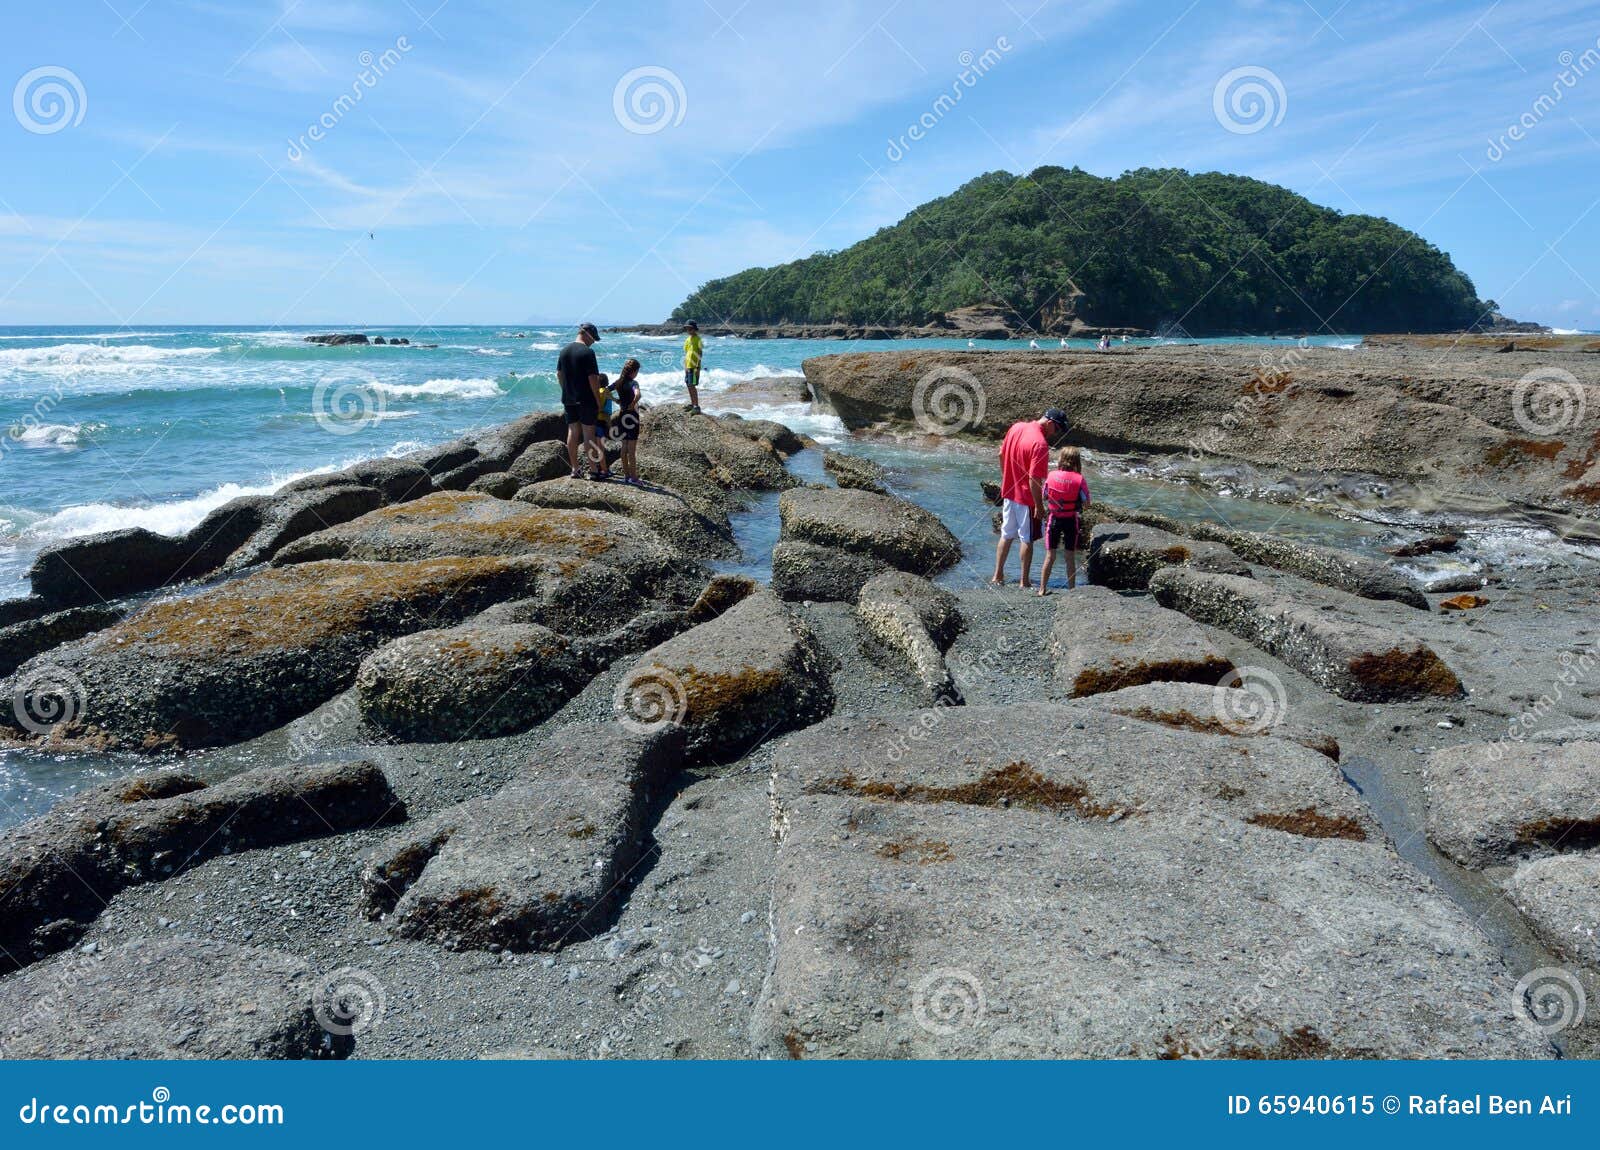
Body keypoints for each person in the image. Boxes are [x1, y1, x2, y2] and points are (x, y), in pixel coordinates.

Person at [992, 407, 1069, 589]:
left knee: (1006, 534)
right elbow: (1034, 480)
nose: (1056, 434)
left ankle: (997, 576)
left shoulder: (1017, 427)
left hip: (1009, 493)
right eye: (1057, 429)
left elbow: (1001, 454)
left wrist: (1007, 478)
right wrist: (1039, 506)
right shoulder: (1040, 444)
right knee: (1026, 538)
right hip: (1026, 498)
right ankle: (1024, 581)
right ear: (1050, 423)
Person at [557, 322, 608, 480]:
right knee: (588, 434)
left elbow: (559, 374)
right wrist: (598, 400)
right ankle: (593, 470)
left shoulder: (564, 351)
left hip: (569, 398)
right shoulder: (587, 352)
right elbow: (593, 379)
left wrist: (565, 389)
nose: (593, 342)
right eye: (593, 338)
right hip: (586, 399)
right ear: (586, 334)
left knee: (572, 431)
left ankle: (575, 469)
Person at [1037, 445, 1090, 596]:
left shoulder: (1051, 475)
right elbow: (1087, 503)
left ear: (1061, 459)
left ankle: (1042, 589)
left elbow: (1044, 496)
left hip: (1054, 519)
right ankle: (1072, 590)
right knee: (1069, 557)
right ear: (1077, 462)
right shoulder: (1080, 480)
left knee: (1050, 556)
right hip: (1070, 521)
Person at [613, 357, 643, 484]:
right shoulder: (633, 383)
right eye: (637, 371)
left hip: (622, 416)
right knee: (632, 450)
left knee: (624, 446)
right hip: (632, 417)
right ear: (634, 371)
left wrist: (616, 400)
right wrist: (633, 403)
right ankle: (634, 478)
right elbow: (638, 394)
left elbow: (603, 391)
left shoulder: (618, 382)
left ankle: (626, 476)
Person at [682, 320, 703, 412]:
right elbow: (686, 353)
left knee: (692, 385)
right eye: (687, 329)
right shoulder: (687, 340)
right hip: (688, 366)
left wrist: (698, 367)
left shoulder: (698, 339)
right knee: (688, 385)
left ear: (695, 329)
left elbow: (700, 353)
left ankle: (696, 406)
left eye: (690, 328)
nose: (689, 330)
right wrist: (685, 367)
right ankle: (692, 403)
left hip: (694, 367)